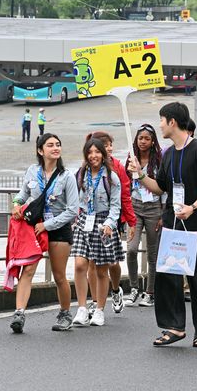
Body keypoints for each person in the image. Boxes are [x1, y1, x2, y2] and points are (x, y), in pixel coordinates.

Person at [128, 101, 197, 347]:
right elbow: (160, 188)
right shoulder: (168, 154)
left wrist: (193, 207)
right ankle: (175, 328)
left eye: (161, 120)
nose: (160, 126)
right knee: (168, 276)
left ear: (172, 122)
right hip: (172, 223)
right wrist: (141, 175)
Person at [10, 134, 79, 333]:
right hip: (34, 227)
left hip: (58, 229)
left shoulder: (67, 176)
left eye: (58, 145)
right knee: (28, 270)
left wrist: (48, 225)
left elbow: (72, 210)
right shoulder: (32, 171)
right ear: (41, 150)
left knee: (59, 275)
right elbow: (23, 195)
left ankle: (65, 314)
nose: (55, 148)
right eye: (50, 145)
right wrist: (16, 204)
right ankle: (19, 313)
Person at [70, 138, 123, 327]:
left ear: (103, 154)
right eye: (90, 152)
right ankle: (82, 308)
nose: (94, 156)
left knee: (101, 269)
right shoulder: (80, 174)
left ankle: (100, 309)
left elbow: (116, 206)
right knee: (79, 265)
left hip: (103, 223)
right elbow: (74, 198)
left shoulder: (111, 177)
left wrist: (110, 223)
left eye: (97, 152)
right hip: (84, 221)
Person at [84, 131, 136, 317]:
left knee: (111, 263)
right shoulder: (85, 169)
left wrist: (131, 222)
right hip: (91, 222)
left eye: (110, 145)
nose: (109, 149)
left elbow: (124, 196)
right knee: (92, 262)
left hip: (113, 220)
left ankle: (116, 290)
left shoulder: (117, 168)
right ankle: (96, 302)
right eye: (105, 145)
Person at [124, 124, 163, 307]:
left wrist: (164, 213)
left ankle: (151, 292)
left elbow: (165, 188)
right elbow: (126, 184)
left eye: (147, 138)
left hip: (155, 207)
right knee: (131, 248)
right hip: (135, 206)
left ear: (153, 140)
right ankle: (133, 288)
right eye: (140, 138)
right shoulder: (131, 158)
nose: (143, 141)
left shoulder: (160, 160)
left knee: (153, 254)